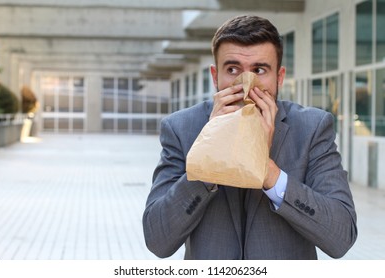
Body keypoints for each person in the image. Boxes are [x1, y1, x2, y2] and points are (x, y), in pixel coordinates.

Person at [142, 15, 357, 260]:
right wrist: (210, 159)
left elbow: (342, 236)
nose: (246, 84)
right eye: (232, 69)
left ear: (279, 77)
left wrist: (268, 172)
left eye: (259, 70)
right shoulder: (181, 128)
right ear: (215, 76)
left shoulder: (312, 128)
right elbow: (157, 240)